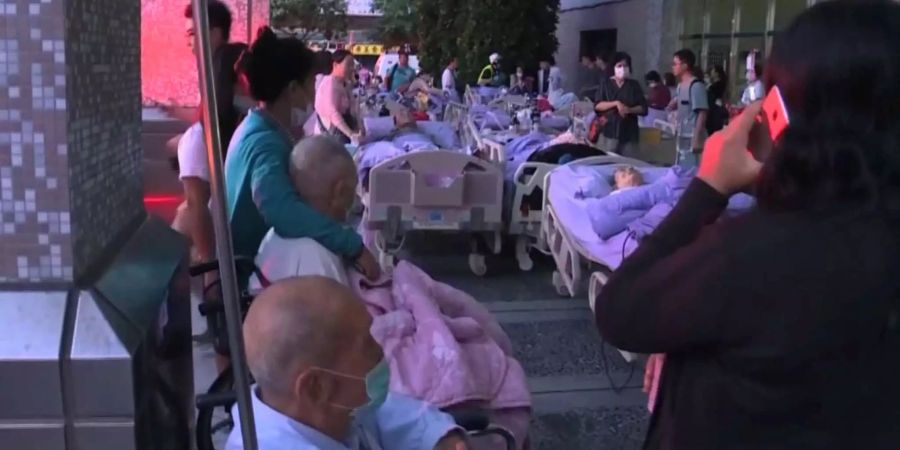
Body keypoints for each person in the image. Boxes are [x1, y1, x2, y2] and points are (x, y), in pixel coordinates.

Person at [595, 2, 900, 449]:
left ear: (777, 109)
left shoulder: (760, 255)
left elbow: (620, 312)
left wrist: (709, 186)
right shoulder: (870, 243)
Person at [227, 276, 469, 450]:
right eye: (365, 344)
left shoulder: (331, 410)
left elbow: (387, 415)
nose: (379, 348)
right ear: (316, 387)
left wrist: (438, 438)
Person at [224, 27, 380, 284]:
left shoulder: (263, 130)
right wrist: (352, 245)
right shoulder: (264, 143)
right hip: (250, 281)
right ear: (293, 89)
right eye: (311, 84)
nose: (313, 93)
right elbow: (282, 210)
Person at [593, 52, 647, 156]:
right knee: (607, 163)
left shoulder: (634, 85)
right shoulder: (606, 84)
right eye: (619, 66)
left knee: (628, 165)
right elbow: (598, 105)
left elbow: (643, 108)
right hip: (609, 132)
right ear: (613, 67)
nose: (622, 68)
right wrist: (616, 103)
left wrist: (629, 110)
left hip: (629, 134)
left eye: (625, 66)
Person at [667, 49, 708, 161]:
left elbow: (702, 113)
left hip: (693, 135)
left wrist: (697, 137)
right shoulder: (680, 86)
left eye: (675, 64)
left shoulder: (696, 86)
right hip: (682, 134)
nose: (673, 67)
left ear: (685, 65)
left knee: (692, 166)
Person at [315, 49, 362, 144]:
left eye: (353, 65)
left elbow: (353, 109)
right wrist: (351, 134)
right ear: (335, 65)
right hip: (331, 138)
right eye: (348, 65)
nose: (352, 68)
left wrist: (359, 127)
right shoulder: (330, 83)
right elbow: (333, 113)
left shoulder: (344, 84)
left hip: (343, 134)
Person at [706, 64, 729, 135]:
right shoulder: (714, 84)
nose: (711, 73)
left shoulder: (719, 84)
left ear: (716, 73)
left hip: (716, 109)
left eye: (713, 71)